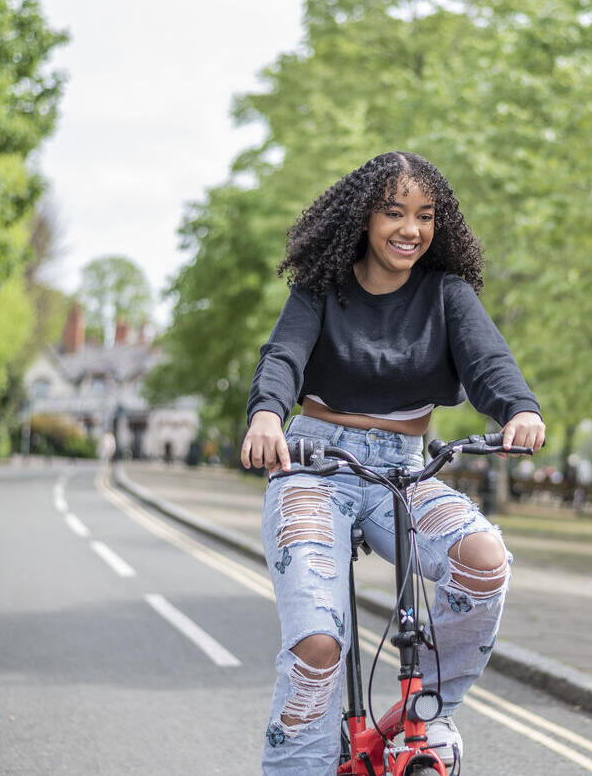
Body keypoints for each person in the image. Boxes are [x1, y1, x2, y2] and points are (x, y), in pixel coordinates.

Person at [240, 151, 546, 775]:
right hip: (312, 463)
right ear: (363, 218)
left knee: (484, 562)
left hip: (406, 469)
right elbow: (283, 358)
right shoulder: (322, 288)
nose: (411, 229)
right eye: (394, 212)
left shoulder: (447, 295)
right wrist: (267, 415)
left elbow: (489, 364)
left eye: (425, 216)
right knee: (319, 644)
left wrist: (519, 409)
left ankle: (425, 708)